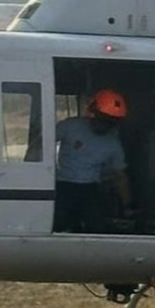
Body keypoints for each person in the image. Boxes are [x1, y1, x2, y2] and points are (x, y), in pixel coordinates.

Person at [54, 88, 131, 233]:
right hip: (63, 185)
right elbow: (40, 145)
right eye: (102, 119)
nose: (105, 125)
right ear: (93, 113)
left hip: (90, 189)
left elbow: (120, 175)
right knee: (58, 224)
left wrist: (127, 204)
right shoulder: (70, 126)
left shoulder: (113, 143)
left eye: (110, 122)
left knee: (95, 227)